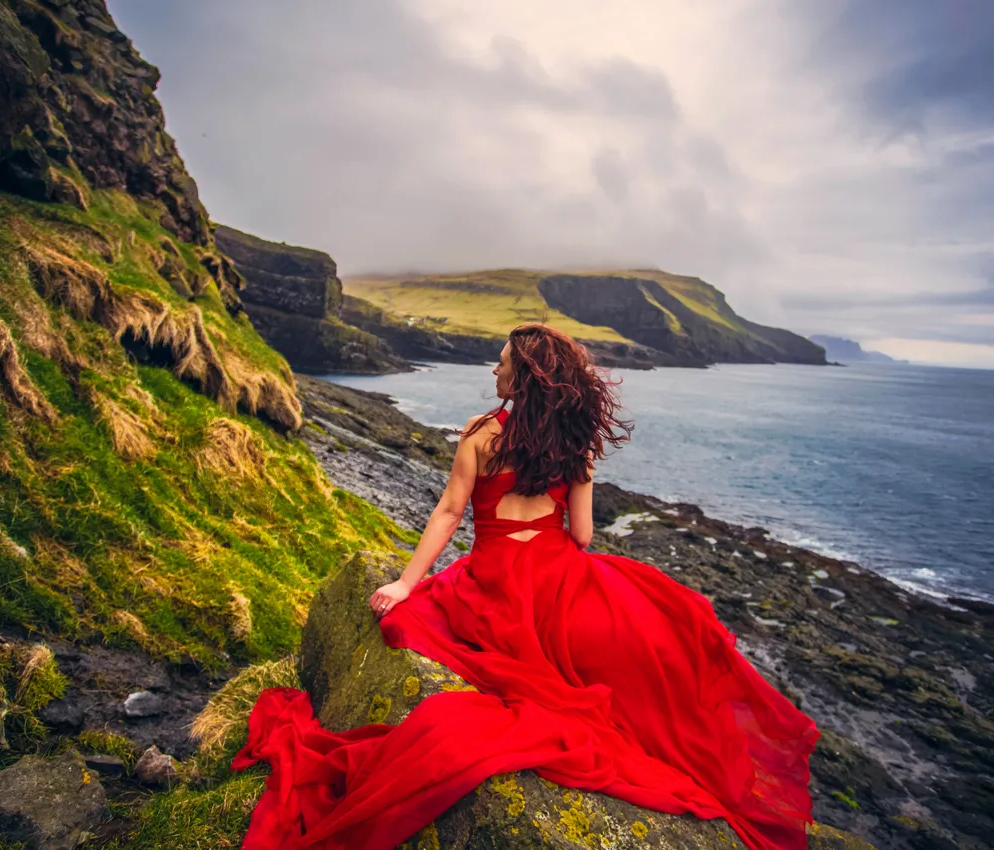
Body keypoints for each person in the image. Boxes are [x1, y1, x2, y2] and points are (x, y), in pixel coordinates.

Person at [232, 323, 820, 850]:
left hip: (491, 583)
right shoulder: (576, 443)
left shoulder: (480, 436)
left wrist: (410, 584)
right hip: (561, 578)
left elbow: (448, 513)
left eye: (502, 363)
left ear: (524, 377)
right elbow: (584, 536)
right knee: (660, 639)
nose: (494, 370)